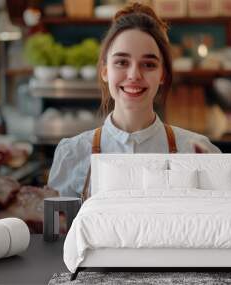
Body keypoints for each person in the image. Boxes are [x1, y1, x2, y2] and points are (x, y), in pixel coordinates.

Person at [48, 3, 220, 198]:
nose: (134, 75)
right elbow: (57, 228)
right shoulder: (72, 154)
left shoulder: (197, 151)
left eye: (148, 64)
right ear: (105, 71)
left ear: (162, 74)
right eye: (122, 62)